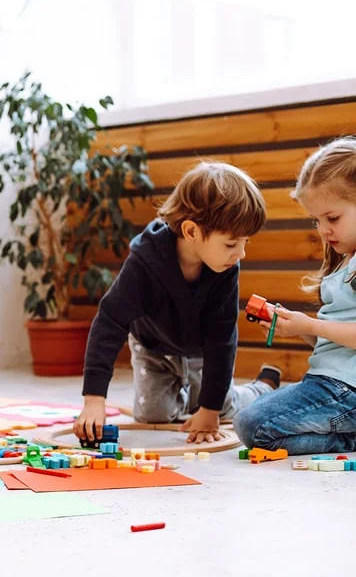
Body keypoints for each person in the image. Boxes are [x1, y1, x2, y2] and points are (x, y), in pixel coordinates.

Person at [74, 161, 280, 444]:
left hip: (200, 351)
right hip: (153, 348)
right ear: (191, 231)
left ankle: (261, 388)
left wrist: (210, 409)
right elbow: (109, 322)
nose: (241, 253)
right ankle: (188, 398)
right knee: (152, 414)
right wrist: (94, 400)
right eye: (232, 244)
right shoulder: (144, 263)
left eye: (245, 242)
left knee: (224, 407)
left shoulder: (225, 267)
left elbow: (222, 339)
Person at [235, 138, 356, 455]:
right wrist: (299, 327)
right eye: (316, 221)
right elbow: (335, 344)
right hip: (331, 382)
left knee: (252, 425)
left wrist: (312, 325)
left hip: (347, 389)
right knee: (250, 421)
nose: (323, 230)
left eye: (333, 218)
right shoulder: (342, 261)